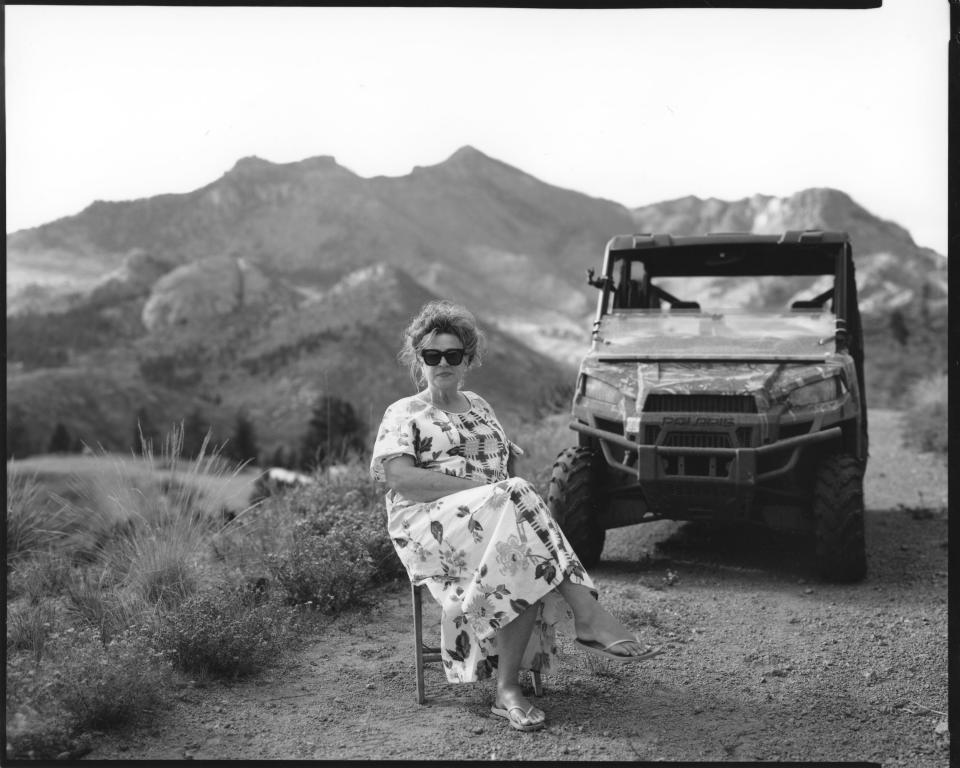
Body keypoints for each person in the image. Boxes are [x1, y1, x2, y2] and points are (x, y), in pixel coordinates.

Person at [370, 300, 661, 732]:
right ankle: (588, 614)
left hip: (493, 519)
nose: (443, 363)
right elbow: (401, 478)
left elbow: (504, 470)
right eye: (432, 356)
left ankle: (508, 693)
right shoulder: (404, 412)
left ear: (468, 358)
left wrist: (502, 493)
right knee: (518, 506)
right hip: (430, 526)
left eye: (453, 354)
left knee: (518, 549)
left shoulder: (480, 406)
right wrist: (486, 490)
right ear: (420, 360)